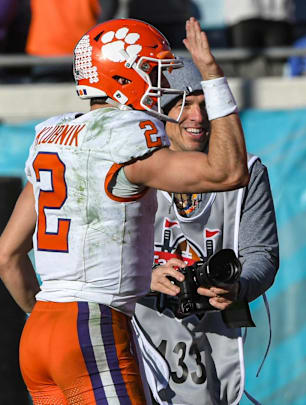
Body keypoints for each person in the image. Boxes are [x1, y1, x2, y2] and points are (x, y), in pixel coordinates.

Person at [0, 18, 249, 404]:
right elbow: (228, 172)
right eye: (151, 69)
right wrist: (213, 78)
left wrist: (49, 322)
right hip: (91, 324)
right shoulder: (126, 135)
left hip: (38, 335)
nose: (159, 84)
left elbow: (5, 257)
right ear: (123, 75)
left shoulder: (52, 138)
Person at [129, 59, 279, 405]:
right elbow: (91, 253)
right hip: (137, 334)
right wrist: (143, 276)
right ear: (159, 112)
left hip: (211, 341)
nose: (196, 116)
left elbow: (262, 254)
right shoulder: (130, 168)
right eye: (183, 103)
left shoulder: (247, 172)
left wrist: (238, 287)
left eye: (205, 103)